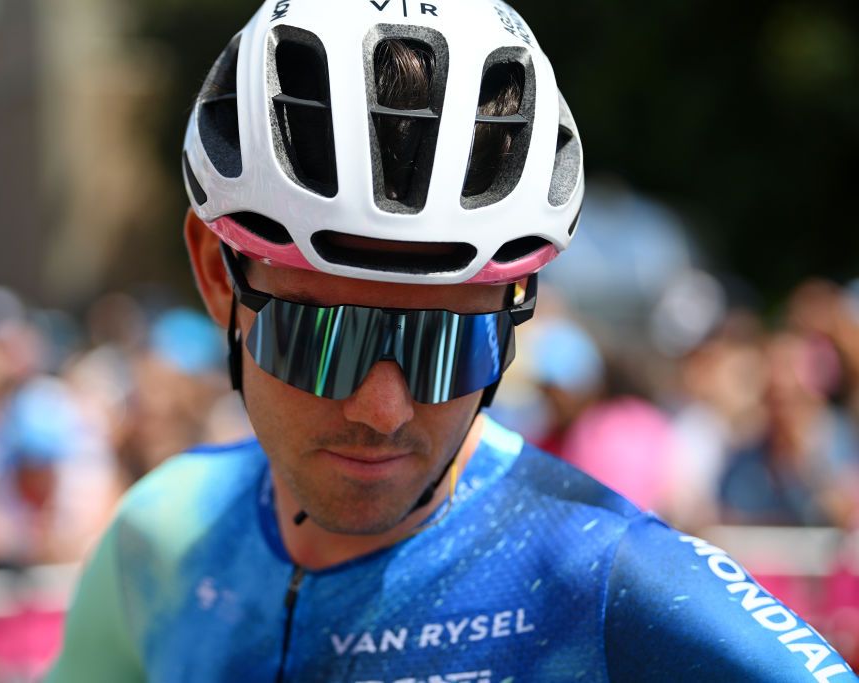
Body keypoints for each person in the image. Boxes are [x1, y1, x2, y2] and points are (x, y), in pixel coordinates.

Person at [49, 0, 856, 680]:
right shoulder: (160, 536)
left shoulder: (608, 582)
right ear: (217, 276)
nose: (384, 407)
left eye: (447, 344)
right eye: (323, 338)